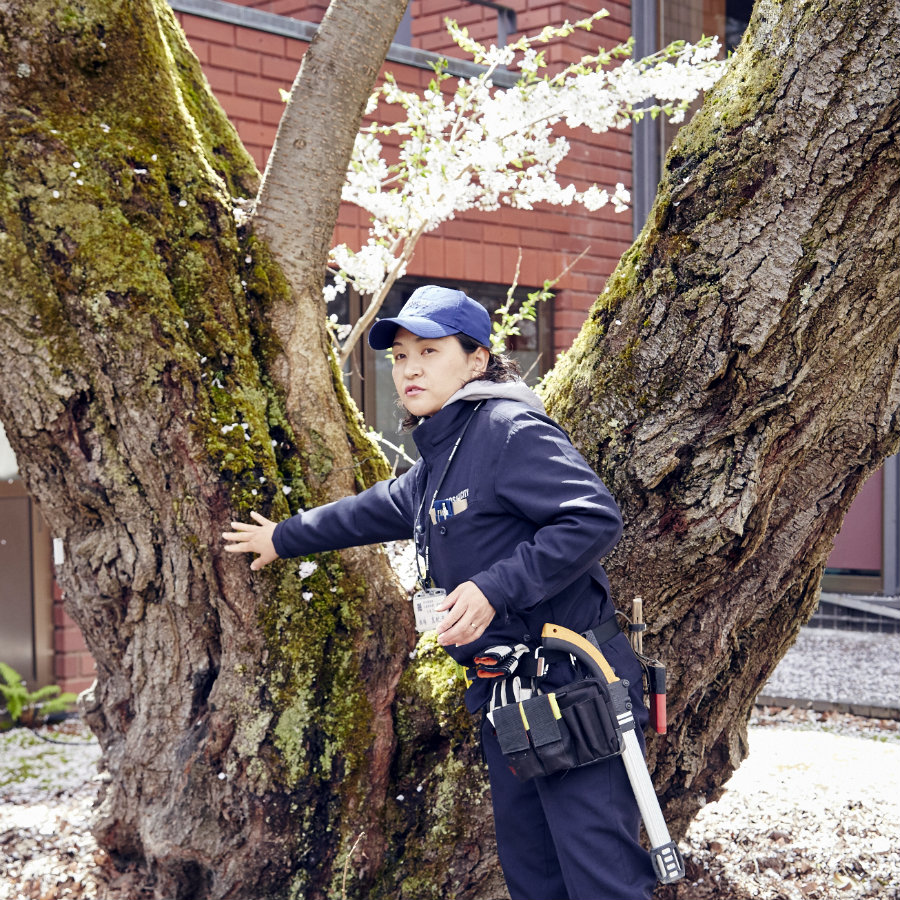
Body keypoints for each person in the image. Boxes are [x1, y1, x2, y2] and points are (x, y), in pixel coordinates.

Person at [222, 284, 657, 900]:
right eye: (400, 356)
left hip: (574, 685)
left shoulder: (509, 429)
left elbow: (592, 517)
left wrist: (492, 587)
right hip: (508, 697)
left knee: (601, 881)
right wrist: (285, 537)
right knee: (534, 877)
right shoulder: (440, 457)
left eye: (429, 351)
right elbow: (374, 509)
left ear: (477, 359)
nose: (409, 368)